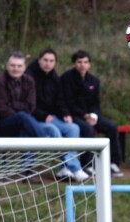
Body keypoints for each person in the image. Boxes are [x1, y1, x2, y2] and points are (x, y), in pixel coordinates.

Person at [25, 47, 90, 182]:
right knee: (54, 130)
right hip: (34, 118)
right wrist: (43, 116)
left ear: (55, 62)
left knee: (73, 127)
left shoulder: (54, 77)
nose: (48, 63)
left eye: (51, 61)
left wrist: (65, 113)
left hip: (51, 117)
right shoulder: (29, 76)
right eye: (45, 60)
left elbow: (60, 100)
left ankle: (64, 169)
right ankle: (74, 168)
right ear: (39, 60)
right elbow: (27, 104)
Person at [61, 50, 124, 176]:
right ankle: (87, 165)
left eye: (85, 62)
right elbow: (68, 102)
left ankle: (113, 163)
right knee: (88, 129)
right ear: (74, 63)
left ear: (89, 64)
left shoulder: (94, 80)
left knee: (112, 127)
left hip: (91, 116)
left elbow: (95, 103)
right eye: (79, 62)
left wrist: (94, 115)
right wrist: (85, 116)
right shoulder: (66, 78)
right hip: (74, 116)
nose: (82, 65)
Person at [0, 51, 54, 139]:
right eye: (13, 65)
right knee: (22, 117)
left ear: (24, 68)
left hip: (22, 121)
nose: (16, 69)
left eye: (19, 66)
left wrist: (11, 105)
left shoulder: (29, 81)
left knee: (50, 129)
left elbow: (30, 107)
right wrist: (19, 112)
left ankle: (48, 144)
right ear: (7, 66)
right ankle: (45, 141)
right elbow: (0, 110)